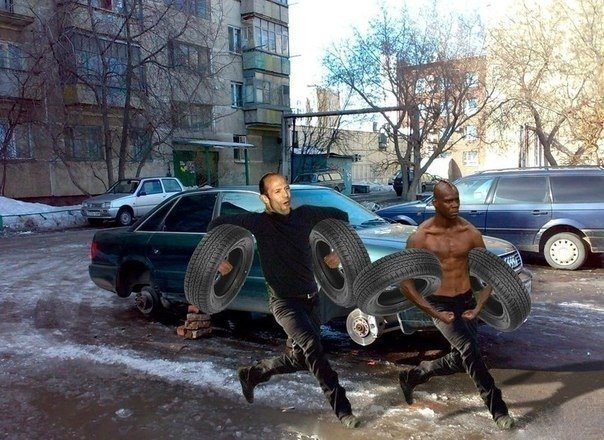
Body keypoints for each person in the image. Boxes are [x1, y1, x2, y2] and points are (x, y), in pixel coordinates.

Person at [209, 172, 361, 429]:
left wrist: (340, 250)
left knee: (299, 359)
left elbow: (342, 216)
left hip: (312, 300)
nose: (286, 195)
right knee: (313, 347)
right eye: (277, 191)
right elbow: (217, 224)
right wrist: (217, 258)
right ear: (265, 198)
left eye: (287, 188)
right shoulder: (258, 222)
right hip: (284, 304)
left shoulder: (306, 215)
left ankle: (252, 373)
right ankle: (343, 410)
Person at [398, 180, 515, 430]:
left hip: (466, 300)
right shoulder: (421, 237)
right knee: (470, 351)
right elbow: (406, 284)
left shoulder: (470, 232)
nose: (454, 205)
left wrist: (479, 305)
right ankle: (498, 410)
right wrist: (434, 313)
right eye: (448, 201)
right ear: (435, 203)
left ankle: (415, 374)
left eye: (457, 200)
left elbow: (490, 272)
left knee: (463, 358)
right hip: (439, 303)